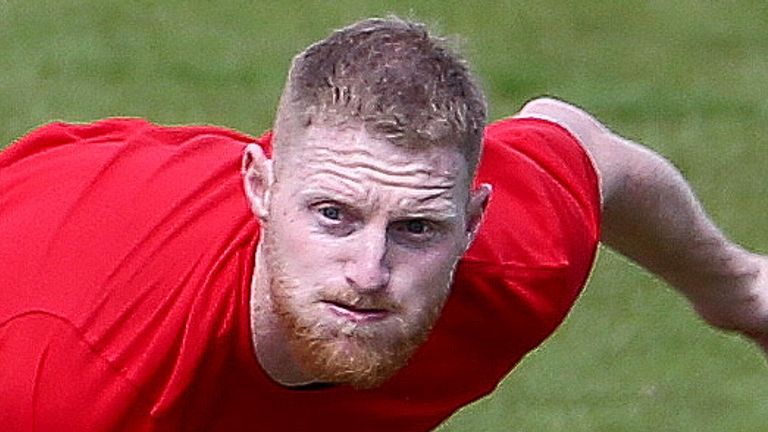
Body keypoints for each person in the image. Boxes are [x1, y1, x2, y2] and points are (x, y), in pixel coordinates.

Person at [1, 16, 766, 431]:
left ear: (473, 223)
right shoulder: (69, 377)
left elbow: (595, 156)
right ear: (260, 188)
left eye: (417, 229)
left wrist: (739, 289)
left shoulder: (516, 265)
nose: (370, 272)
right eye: (333, 215)